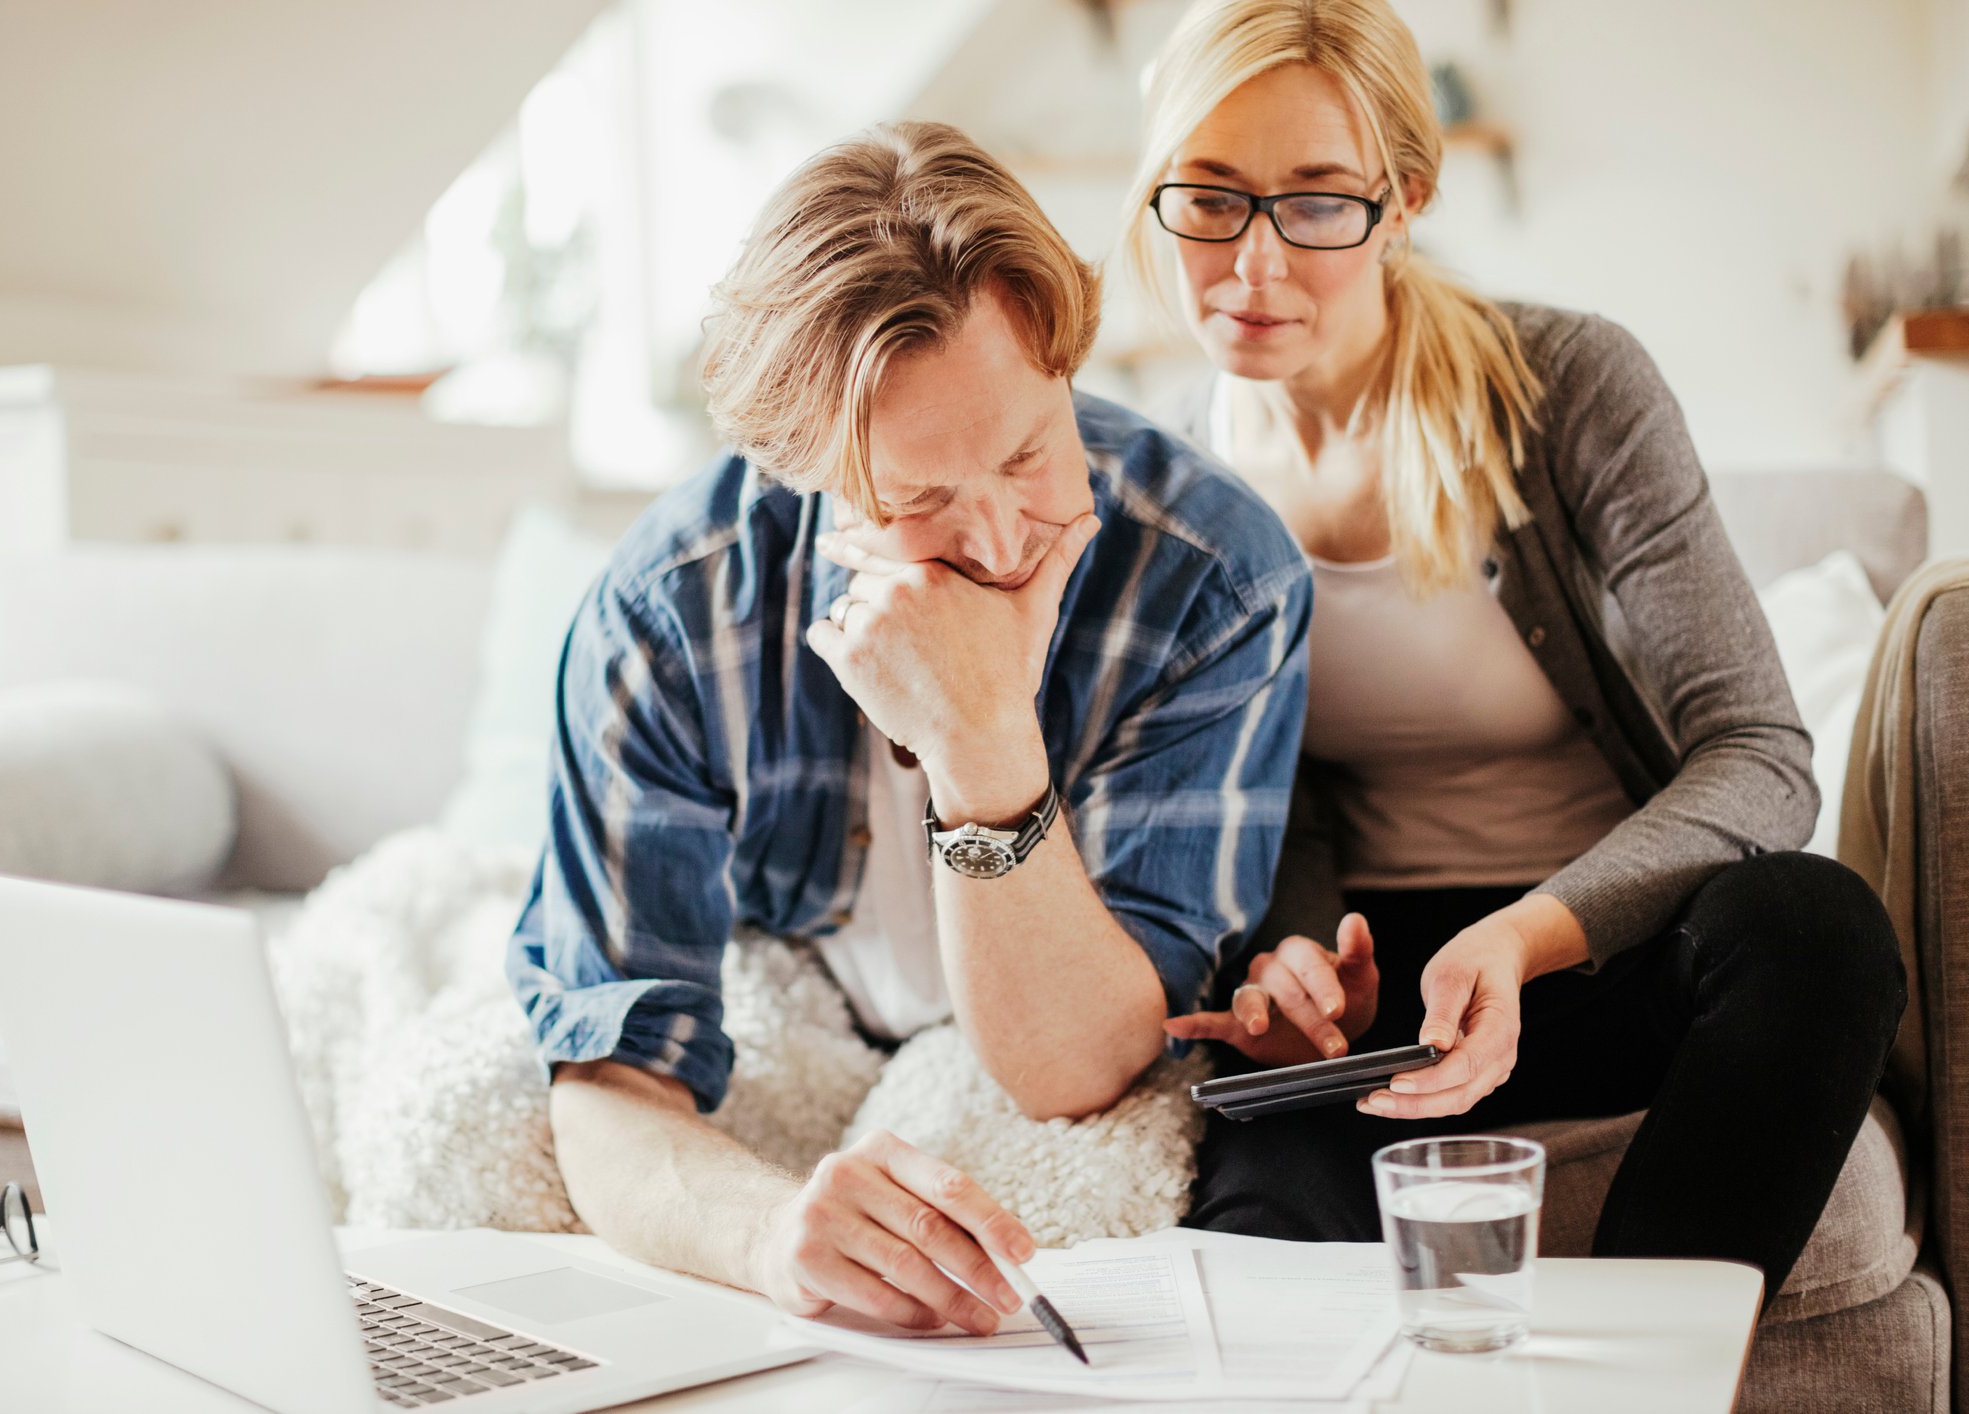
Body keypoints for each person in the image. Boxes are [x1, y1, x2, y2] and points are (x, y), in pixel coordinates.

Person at [1125, 0, 1905, 1306]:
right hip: (1386, 1009)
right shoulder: (1167, 483)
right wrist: (1298, 964)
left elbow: (1760, 753)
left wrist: (1530, 934)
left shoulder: (1568, 385)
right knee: (1262, 1232)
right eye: (1208, 197)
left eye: (1315, 203)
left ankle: (1637, 1373)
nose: (1251, 264)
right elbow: (1267, 809)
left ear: (1404, 199)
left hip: (1604, 946)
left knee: (1817, 927)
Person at [506, 120, 1311, 1335]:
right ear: (804, 475)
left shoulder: (1217, 580)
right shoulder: (672, 610)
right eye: (920, 500)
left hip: (1024, 1046)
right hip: (803, 1006)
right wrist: (774, 1236)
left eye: (1032, 452)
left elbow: (1081, 1064)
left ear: (1064, 363)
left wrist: (981, 734)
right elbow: (616, 1072)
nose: (998, 543)